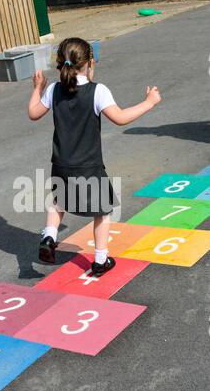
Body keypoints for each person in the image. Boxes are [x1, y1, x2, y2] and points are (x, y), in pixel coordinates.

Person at [28, 37, 161, 277]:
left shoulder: (53, 89)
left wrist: (37, 88)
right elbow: (120, 117)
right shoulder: (97, 90)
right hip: (88, 165)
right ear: (90, 63)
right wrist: (149, 103)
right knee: (102, 211)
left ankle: (49, 236)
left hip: (61, 163)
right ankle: (100, 260)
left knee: (58, 202)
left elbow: (33, 113)